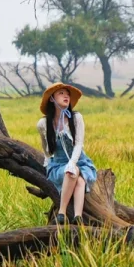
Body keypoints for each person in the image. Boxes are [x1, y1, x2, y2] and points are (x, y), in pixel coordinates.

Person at [37, 82, 97, 226]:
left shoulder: (76, 118)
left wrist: (72, 163)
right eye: (61, 93)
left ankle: (68, 214)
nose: (66, 96)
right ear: (52, 99)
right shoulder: (43, 123)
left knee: (74, 173)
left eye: (67, 94)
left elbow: (78, 144)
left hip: (80, 161)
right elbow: (45, 146)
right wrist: (47, 159)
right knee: (76, 177)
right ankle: (70, 215)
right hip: (58, 163)